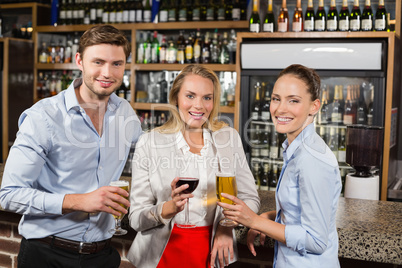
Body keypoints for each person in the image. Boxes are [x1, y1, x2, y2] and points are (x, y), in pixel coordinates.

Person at [0, 25, 142, 268]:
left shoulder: (124, 112)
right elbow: (9, 195)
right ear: (79, 60)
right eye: (98, 61)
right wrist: (79, 201)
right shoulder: (44, 117)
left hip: (102, 255)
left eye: (117, 64)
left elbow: (150, 153)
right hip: (46, 254)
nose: (107, 73)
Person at [127, 64, 260, 268]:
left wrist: (227, 226)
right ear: (176, 98)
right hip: (160, 255)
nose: (198, 105)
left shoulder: (228, 138)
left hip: (213, 253)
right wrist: (166, 209)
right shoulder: (150, 142)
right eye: (190, 96)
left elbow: (250, 198)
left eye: (207, 97)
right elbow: (136, 218)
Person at [218, 64, 342, 267]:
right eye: (276, 99)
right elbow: (298, 210)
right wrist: (270, 219)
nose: (280, 108)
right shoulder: (296, 148)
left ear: (314, 106)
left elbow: (316, 241)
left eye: (293, 100)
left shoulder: (311, 160)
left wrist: (255, 221)